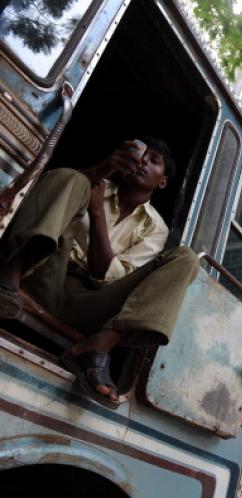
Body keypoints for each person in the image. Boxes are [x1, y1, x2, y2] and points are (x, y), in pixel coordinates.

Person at [0, 138, 199, 408]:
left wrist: (97, 214)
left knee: (186, 259)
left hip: (89, 303)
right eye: (142, 154)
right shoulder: (93, 183)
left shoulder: (156, 228)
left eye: (153, 160)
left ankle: (96, 348)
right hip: (43, 273)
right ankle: (7, 282)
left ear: (162, 182)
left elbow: (109, 277)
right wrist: (98, 170)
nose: (143, 162)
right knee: (72, 178)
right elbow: (50, 191)